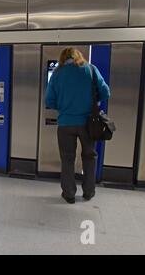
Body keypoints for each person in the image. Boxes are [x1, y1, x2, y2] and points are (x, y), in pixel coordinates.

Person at [46, 48, 110, 204]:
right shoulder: (91, 69)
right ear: (79, 56)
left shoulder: (57, 73)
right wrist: (95, 102)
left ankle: (69, 194)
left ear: (63, 58)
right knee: (89, 157)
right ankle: (88, 192)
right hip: (88, 123)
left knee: (67, 159)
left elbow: (49, 100)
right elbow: (105, 92)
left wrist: (63, 107)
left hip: (65, 123)